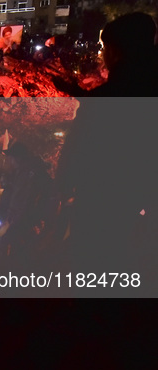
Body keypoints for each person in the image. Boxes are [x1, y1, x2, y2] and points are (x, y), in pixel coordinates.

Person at [56, 13, 158, 276]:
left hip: (101, 200)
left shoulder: (108, 100)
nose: (101, 54)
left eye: (103, 48)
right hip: (139, 199)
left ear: (114, 50)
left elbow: (76, 153)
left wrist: (61, 189)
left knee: (94, 260)